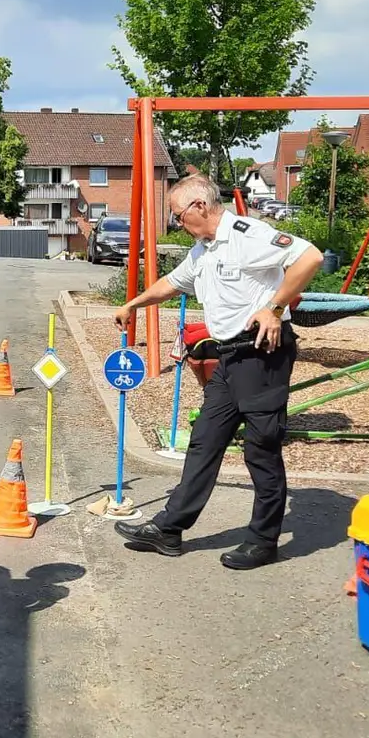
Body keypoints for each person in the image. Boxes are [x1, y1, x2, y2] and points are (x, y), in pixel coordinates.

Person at [112, 173, 322, 570]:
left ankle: (263, 541)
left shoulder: (246, 234)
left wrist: (274, 308)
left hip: (262, 354)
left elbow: (309, 257)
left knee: (261, 451)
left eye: (177, 215)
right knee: (204, 442)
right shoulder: (203, 249)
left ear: (200, 207)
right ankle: (169, 530)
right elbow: (173, 284)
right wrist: (134, 305)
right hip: (229, 359)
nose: (177, 223)